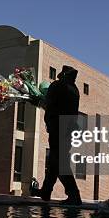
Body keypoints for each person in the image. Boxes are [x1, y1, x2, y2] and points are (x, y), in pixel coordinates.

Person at [35, 65, 82, 205]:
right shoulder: (75, 90)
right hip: (68, 130)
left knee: (59, 162)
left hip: (58, 128)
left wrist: (39, 101)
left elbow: (49, 104)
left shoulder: (58, 86)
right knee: (55, 161)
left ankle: (74, 195)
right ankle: (46, 191)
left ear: (63, 75)